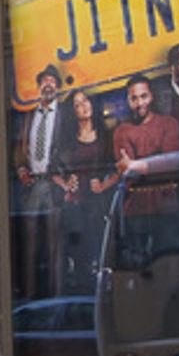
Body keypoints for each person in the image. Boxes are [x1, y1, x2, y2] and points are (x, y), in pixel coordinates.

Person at [51, 90, 118, 291]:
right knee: (81, 258)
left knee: (102, 255)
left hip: (101, 203)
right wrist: (66, 184)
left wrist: (105, 185)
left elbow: (120, 168)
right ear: (73, 112)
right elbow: (52, 171)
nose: (84, 106)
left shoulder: (107, 135)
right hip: (76, 205)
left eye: (86, 100)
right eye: (78, 104)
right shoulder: (67, 141)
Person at [13, 64, 68, 298]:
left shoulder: (65, 115)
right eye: (44, 81)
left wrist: (62, 174)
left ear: (58, 86)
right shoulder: (28, 115)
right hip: (32, 186)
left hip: (53, 184)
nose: (48, 84)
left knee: (55, 245)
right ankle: (30, 295)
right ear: (38, 87)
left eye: (52, 81)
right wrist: (20, 168)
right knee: (30, 244)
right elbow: (18, 147)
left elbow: (69, 147)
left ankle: (56, 297)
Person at [114, 74, 179, 217]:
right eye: (134, 98)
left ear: (151, 96)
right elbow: (127, 170)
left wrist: (135, 165)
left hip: (167, 207)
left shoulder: (169, 124)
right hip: (134, 211)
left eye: (143, 96)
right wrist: (149, 164)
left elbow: (170, 163)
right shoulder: (121, 131)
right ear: (128, 101)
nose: (139, 103)